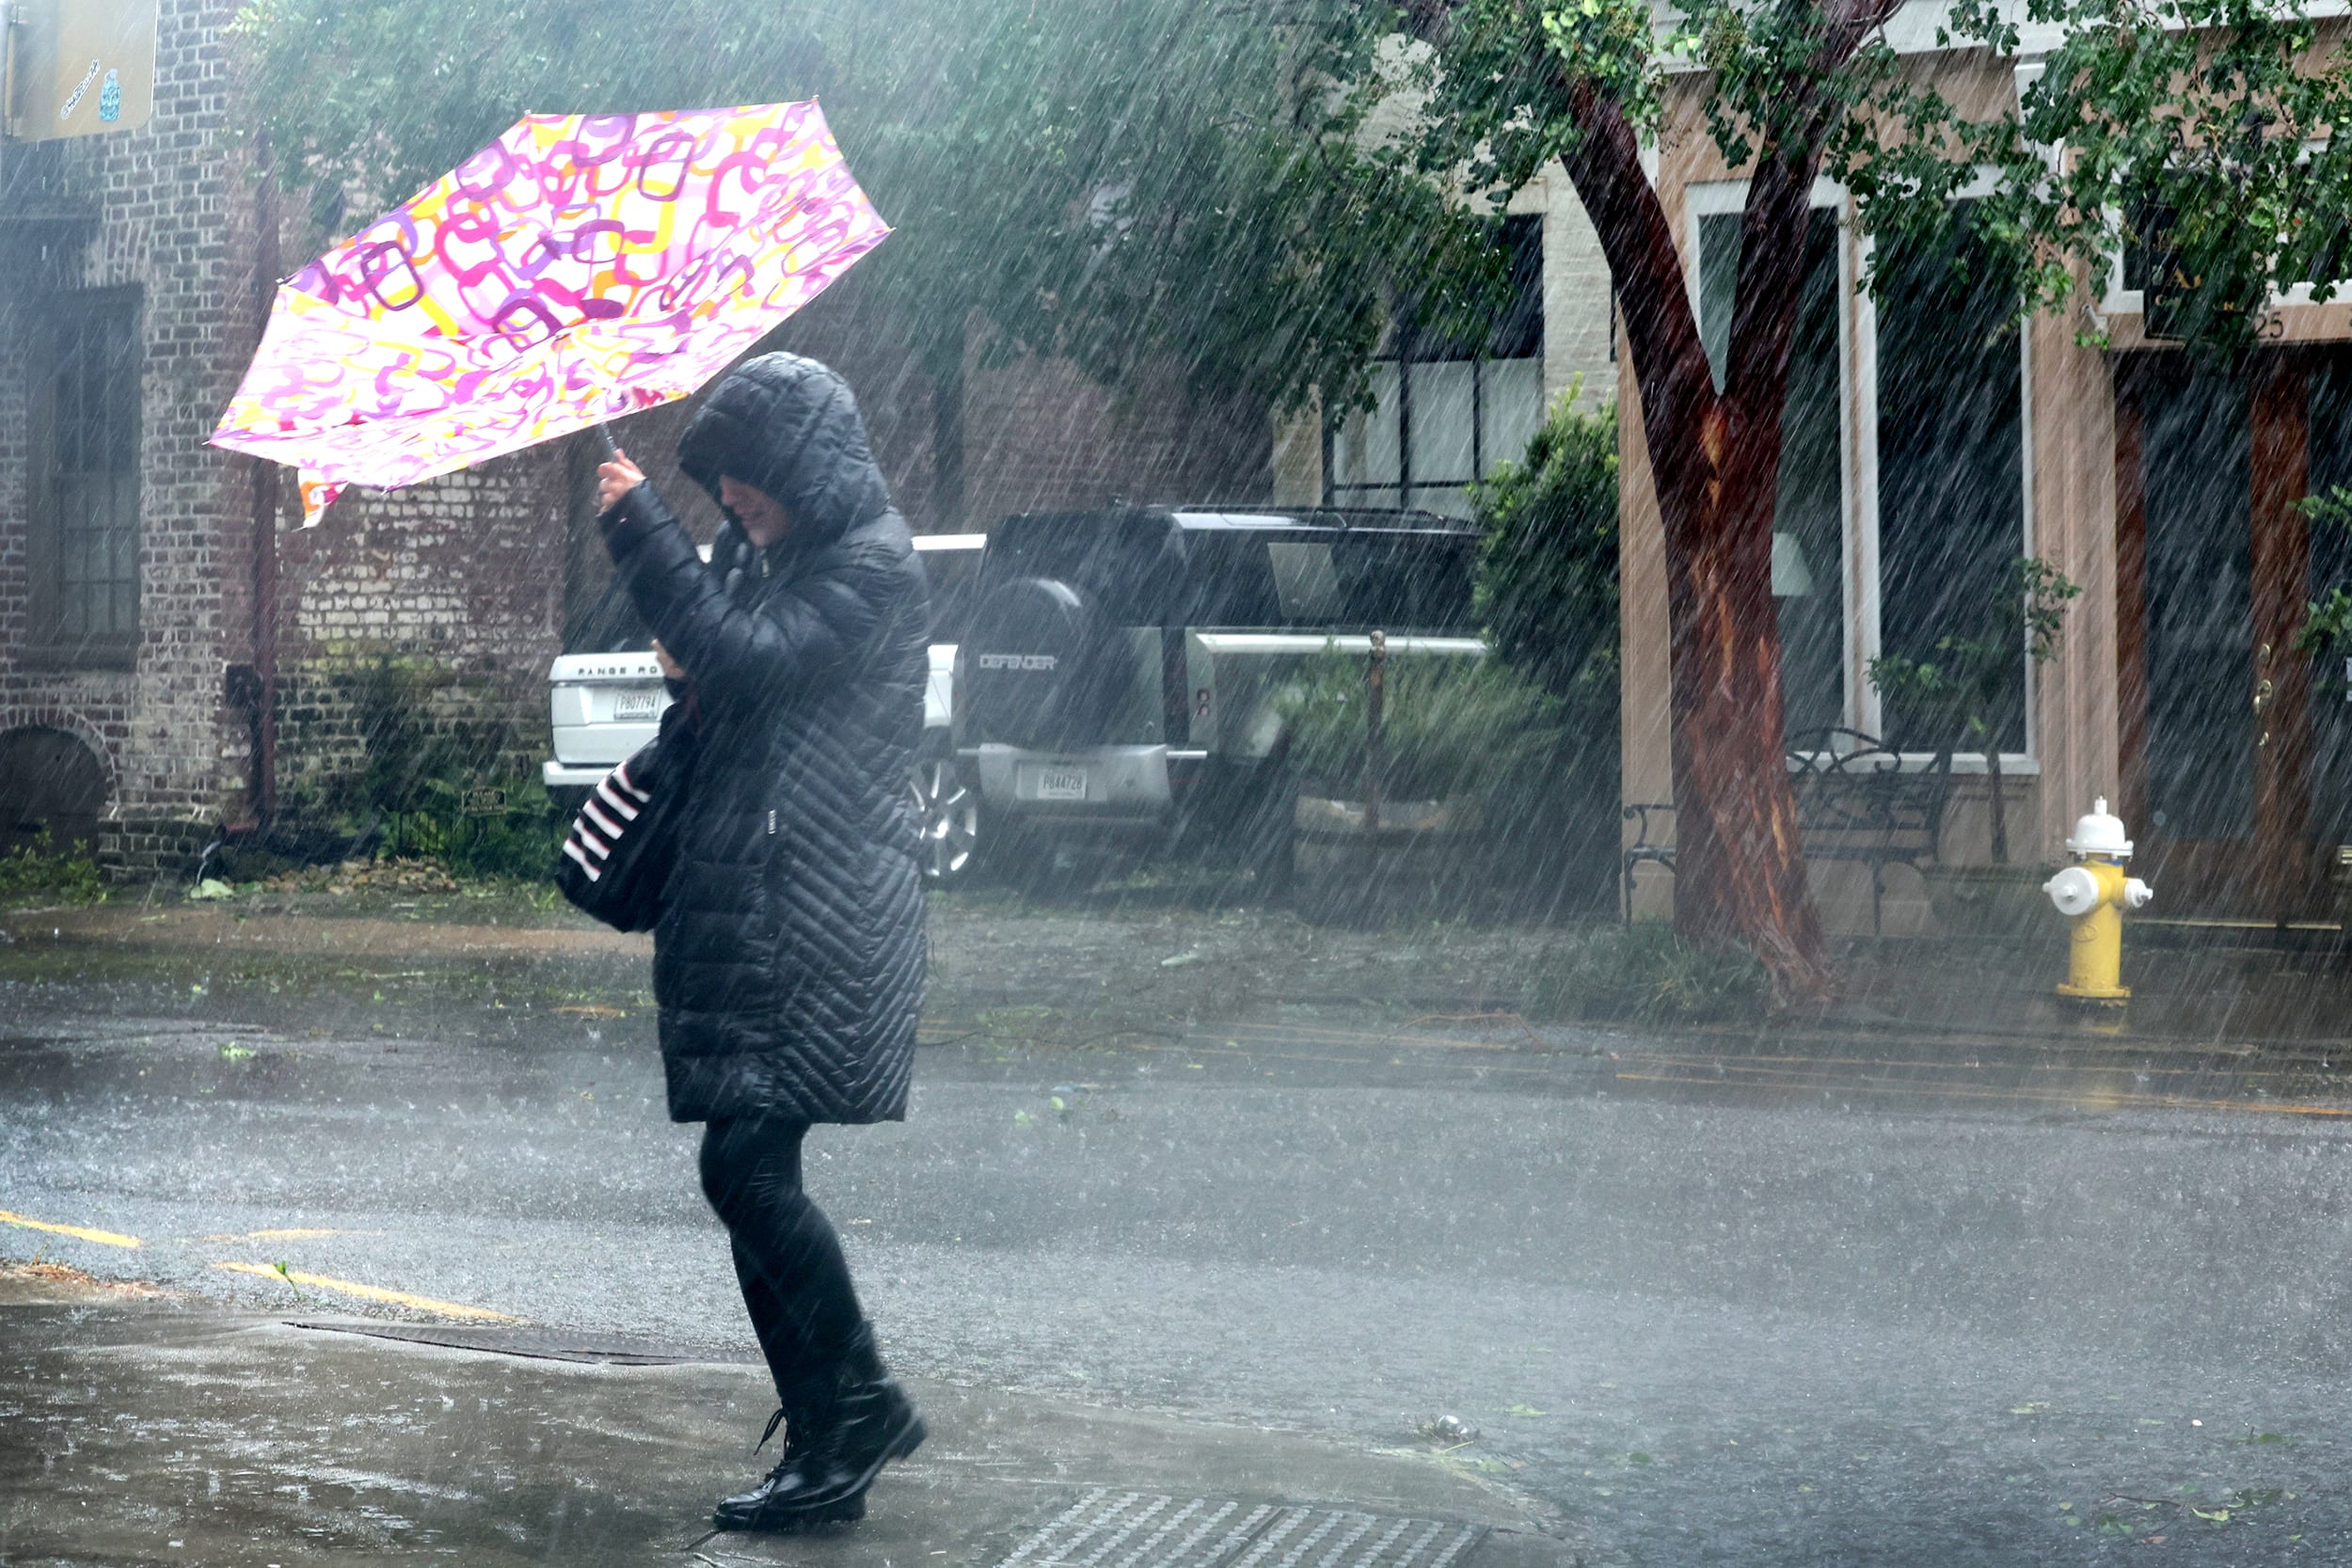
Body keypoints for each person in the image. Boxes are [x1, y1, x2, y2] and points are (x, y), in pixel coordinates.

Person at [594, 353, 932, 1531]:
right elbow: (740, 685)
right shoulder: (791, 560)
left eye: (743, 476)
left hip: (821, 907)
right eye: (718, 480)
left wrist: (642, 525)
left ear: (796, 465)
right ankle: (833, 1422)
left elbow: (753, 659)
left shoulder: (873, 566)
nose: (729, 496)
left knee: (744, 1167)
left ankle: (860, 1405)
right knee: (740, 1168)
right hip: (771, 897)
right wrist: (689, 672)